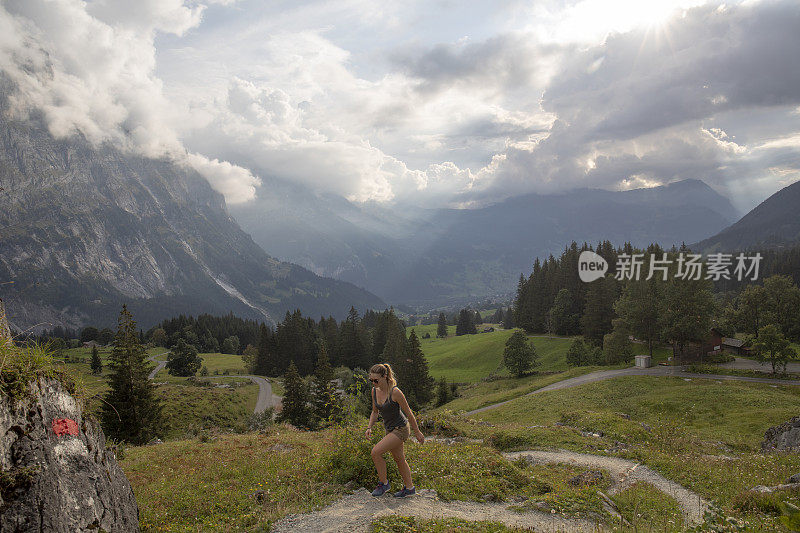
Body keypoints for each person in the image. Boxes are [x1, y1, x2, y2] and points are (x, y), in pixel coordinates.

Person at [365, 362, 424, 497]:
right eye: (371, 380)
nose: (373, 383)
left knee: (376, 452)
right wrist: (369, 427)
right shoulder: (374, 391)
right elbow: (374, 412)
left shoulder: (395, 392)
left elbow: (409, 413)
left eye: (376, 380)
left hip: (401, 428)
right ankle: (409, 488)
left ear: (384, 376)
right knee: (399, 458)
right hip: (390, 429)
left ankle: (384, 484)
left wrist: (417, 432)